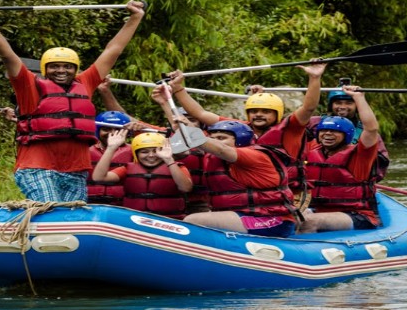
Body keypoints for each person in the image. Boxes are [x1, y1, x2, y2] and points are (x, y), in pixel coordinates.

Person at [0, 0, 145, 202]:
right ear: (45, 69)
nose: (61, 70)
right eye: (54, 66)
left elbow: (113, 50)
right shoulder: (29, 85)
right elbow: (8, 55)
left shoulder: (86, 83)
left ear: (75, 69)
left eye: (67, 66)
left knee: (70, 219)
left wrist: (134, 18)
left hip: (76, 169)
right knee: (51, 210)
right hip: (37, 167)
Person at [164, 62, 327, 213]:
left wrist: (314, 77)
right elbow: (201, 114)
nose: (259, 115)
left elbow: (308, 108)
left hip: (289, 192)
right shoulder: (240, 128)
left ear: (277, 114)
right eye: (254, 111)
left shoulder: (290, 130)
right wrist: (178, 89)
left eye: (265, 111)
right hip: (251, 191)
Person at [170, 119, 299, 237]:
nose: (215, 141)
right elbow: (181, 147)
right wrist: (178, 125)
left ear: (240, 140)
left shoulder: (255, 155)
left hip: (272, 220)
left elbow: (220, 149)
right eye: (212, 138)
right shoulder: (213, 157)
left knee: (192, 220)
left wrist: (190, 132)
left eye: (221, 138)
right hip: (240, 217)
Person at [298, 86, 381, 233]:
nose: (328, 134)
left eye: (335, 131)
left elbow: (371, 129)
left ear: (347, 136)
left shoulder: (360, 155)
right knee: (291, 217)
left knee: (309, 221)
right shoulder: (311, 149)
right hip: (316, 208)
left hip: (356, 215)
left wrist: (359, 98)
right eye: (324, 131)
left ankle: (301, 253)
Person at [92, 130, 193, 219]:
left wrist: (169, 160)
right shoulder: (126, 169)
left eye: (156, 151)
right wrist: (111, 148)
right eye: (144, 152)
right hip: (134, 218)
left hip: (168, 220)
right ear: (136, 154)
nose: (151, 155)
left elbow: (185, 188)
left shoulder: (178, 168)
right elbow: (99, 177)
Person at [306, 79, 390, 181]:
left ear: (356, 105)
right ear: (331, 105)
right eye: (338, 103)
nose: (342, 107)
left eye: (348, 103)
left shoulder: (365, 130)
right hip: (317, 178)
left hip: (352, 176)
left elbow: (372, 131)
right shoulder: (314, 123)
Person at [87, 111, 134, 206]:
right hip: (90, 204)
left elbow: (172, 147)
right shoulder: (86, 151)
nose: (112, 133)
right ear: (97, 131)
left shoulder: (137, 152)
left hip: (123, 205)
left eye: (118, 129)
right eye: (106, 129)